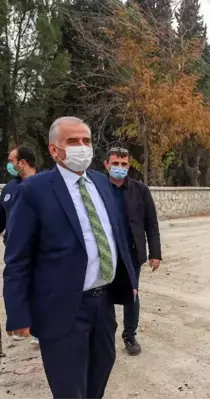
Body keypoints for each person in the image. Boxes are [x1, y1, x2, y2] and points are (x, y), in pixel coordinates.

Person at [3, 116, 138, 398]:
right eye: (72, 141)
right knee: (69, 388)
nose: (82, 147)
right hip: (62, 309)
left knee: (99, 377)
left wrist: (130, 280)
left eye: (86, 141)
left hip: (102, 306)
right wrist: (17, 313)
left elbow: (116, 236)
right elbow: (18, 259)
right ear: (54, 150)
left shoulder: (102, 184)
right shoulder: (33, 191)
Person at [104, 146, 161, 356]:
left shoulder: (140, 190)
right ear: (106, 165)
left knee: (131, 295)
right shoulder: (98, 188)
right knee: (103, 296)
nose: (119, 167)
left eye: (124, 164)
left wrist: (155, 253)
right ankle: (105, 335)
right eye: (115, 163)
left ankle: (130, 335)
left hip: (131, 253)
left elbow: (151, 223)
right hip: (104, 253)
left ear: (129, 165)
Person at [0, 146, 39, 351]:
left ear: (22, 163)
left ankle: (40, 329)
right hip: (16, 251)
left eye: (11, 160)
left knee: (42, 289)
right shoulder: (8, 190)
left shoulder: (46, 186)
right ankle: (25, 322)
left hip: (41, 251)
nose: (9, 165)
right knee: (20, 287)